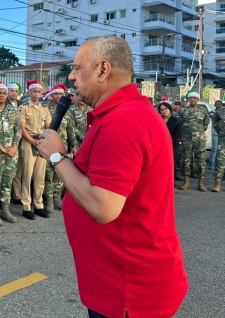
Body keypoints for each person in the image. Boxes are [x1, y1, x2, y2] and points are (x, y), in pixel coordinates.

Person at [37, 35, 188, 318]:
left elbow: (103, 206)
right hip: (120, 282)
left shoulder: (124, 121)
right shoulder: (122, 114)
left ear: (103, 69)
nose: (71, 76)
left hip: (128, 293)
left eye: (78, 67)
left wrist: (57, 157)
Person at [14, 79, 51, 220]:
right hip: (28, 143)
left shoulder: (44, 109)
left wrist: (42, 141)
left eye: (39, 92)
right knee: (27, 175)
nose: (36, 94)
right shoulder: (24, 108)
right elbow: (21, 128)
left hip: (41, 143)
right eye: (34, 91)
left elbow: (48, 126)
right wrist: (32, 140)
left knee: (39, 176)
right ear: (29, 92)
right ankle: (26, 206)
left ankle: (39, 204)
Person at [0, 81, 21, 225]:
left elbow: (18, 129)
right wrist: (0, 147)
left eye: (4, 93)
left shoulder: (13, 111)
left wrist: (14, 146)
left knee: (7, 182)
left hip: (11, 153)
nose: (2, 95)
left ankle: (5, 210)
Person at [45, 84, 78, 213]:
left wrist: (73, 144)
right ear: (51, 95)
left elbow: (70, 129)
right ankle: (48, 200)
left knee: (60, 175)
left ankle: (57, 197)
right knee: (48, 175)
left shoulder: (67, 111)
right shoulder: (46, 109)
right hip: (50, 146)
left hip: (63, 146)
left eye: (60, 94)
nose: (58, 96)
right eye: (56, 94)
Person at [178, 90, 210, 191]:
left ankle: (201, 183)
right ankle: (186, 182)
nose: (193, 99)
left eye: (195, 98)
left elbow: (206, 123)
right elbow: (180, 123)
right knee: (186, 160)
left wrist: (198, 132)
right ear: (188, 99)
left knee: (201, 160)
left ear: (198, 99)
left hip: (200, 139)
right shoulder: (183, 111)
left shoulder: (203, 111)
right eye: (191, 98)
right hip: (186, 139)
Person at [159, 102, 182, 181]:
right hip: (159, 146)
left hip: (173, 146)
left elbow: (176, 136)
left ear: (170, 109)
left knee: (171, 164)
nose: (164, 111)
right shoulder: (158, 120)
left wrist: (167, 144)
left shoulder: (176, 121)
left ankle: (170, 181)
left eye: (166, 109)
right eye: (161, 109)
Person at [208, 99, 223, 171]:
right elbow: (215, 118)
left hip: (223, 134)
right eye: (217, 104)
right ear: (215, 105)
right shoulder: (212, 112)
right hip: (215, 133)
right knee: (214, 149)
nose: (219, 105)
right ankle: (211, 164)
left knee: (222, 150)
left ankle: (219, 164)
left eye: (220, 104)